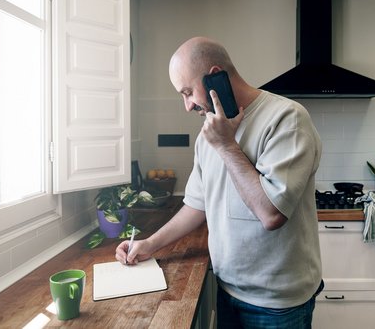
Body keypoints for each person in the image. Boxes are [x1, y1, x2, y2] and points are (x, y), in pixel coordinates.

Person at [116, 37, 323, 328]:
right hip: (227, 290)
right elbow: (196, 205)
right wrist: (150, 244)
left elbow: (271, 214)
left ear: (216, 76)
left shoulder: (287, 118)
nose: (187, 106)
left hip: (278, 305)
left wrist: (226, 146)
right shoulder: (209, 133)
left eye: (188, 92)